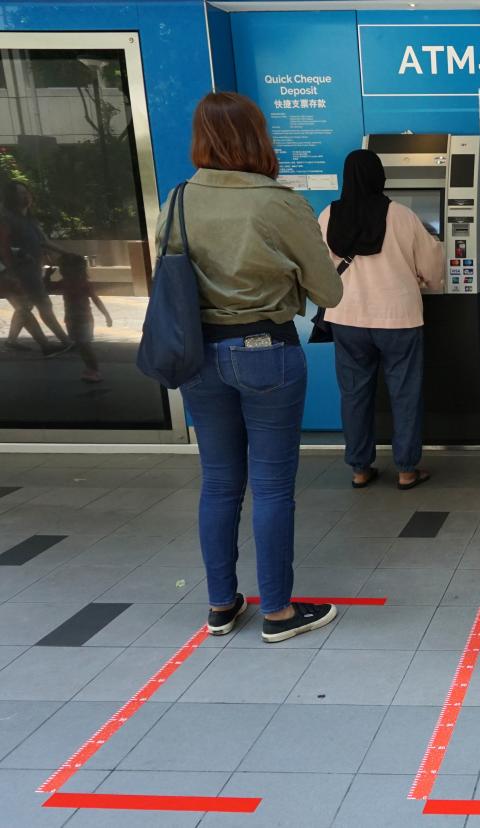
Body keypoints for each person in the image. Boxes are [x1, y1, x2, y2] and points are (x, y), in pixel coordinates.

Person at [156, 92, 343, 643]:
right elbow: (327, 288)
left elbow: (166, 274)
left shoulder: (178, 198)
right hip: (266, 352)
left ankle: (220, 605)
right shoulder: (277, 202)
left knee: (217, 482)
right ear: (257, 138)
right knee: (271, 485)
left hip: (197, 355)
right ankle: (279, 612)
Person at [318, 149, 444, 490]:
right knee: (405, 393)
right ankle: (406, 469)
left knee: (354, 394)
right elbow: (432, 266)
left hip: (347, 317)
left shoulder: (329, 215)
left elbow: (321, 268)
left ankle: (360, 468)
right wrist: (428, 281)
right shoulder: (401, 216)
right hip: (398, 317)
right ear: (380, 177)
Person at [1, 180, 71, 353]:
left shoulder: (30, 219)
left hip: (31, 271)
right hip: (18, 272)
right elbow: (3, 246)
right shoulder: (6, 218)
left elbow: (44, 241)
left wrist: (67, 254)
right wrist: (11, 273)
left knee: (24, 308)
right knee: (42, 304)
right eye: (20, 193)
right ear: (12, 197)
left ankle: (16, 341)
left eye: (26, 192)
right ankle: (64, 341)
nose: (26, 196)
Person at [54, 252, 111, 383]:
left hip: (84, 320)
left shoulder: (83, 284)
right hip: (71, 319)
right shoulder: (64, 282)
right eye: (61, 268)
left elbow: (96, 300)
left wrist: (107, 315)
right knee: (81, 345)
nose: (61, 271)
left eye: (64, 268)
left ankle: (95, 370)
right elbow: (47, 288)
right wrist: (46, 277)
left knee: (85, 345)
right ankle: (90, 369)